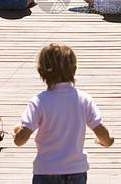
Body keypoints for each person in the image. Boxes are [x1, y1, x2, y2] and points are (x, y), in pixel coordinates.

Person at [13, 43, 114, 184]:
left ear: (41, 72)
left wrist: (17, 136)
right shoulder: (84, 100)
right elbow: (100, 130)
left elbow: (21, 138)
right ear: (74, 71)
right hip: (76, 171)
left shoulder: (38, 102)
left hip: (46, 171)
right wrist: (107, 141)